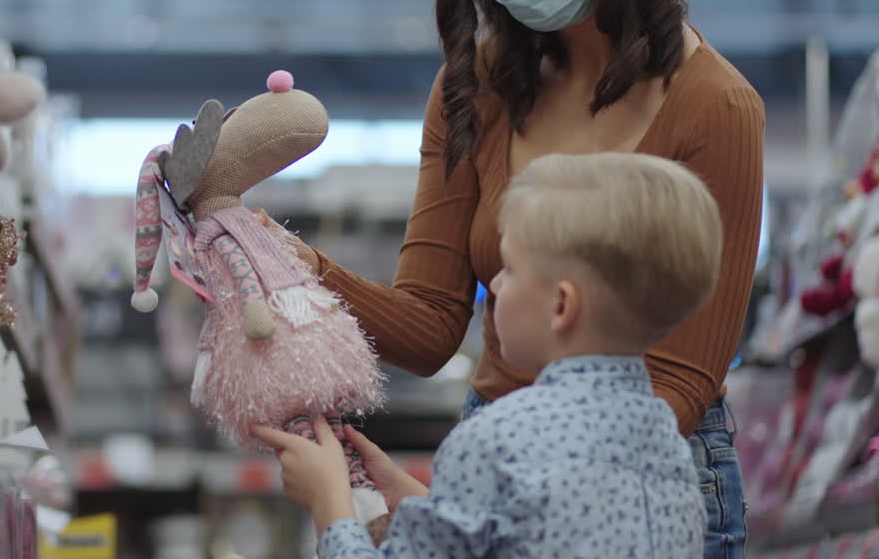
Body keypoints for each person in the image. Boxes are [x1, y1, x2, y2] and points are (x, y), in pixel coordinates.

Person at [255, 0, 764, 556]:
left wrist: (499, 488)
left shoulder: (716, 107)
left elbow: (680, 382)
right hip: (510, 458)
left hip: (639, 465)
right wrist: (279, 256)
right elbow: (431, 328)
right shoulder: (476, 88)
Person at [254, 152, 718, 557]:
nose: (494, 285)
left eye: (509, 268)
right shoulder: (669, 446)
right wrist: (415, 502)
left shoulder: (497, 441)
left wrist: (331, 503)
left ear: (562, 305)